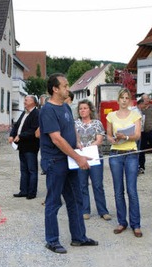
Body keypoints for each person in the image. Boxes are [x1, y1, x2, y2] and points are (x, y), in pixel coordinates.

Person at [39, 73, 98, 254]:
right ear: (55, 89)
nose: (68, 88)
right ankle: (52, 240)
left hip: (69, 159)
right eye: (64, 86)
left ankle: (79, 237)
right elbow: (56, 139)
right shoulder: (47, 110)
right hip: (55, 162)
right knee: (54, 201)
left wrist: (78, 142)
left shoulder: (65, 107)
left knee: (75, 199)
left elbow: (71, 128)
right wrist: (78, 157)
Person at [106, 88, 143, 237]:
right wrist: (113, 138)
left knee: (132, 190)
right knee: (118, 190)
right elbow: (108, 135)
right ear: (118, 99)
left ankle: (136, 224)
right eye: (122, 97)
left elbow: (138, 135)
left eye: (127, 98)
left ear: (130, 100)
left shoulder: (136, 115)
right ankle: (122, 222)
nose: (124, 100)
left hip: (131, 154)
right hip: (115, 153)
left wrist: (126, 138)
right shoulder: (111, 116)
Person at [75, 99, 111, 221]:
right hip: (80, 157)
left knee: (97, 185)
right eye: (80, 108)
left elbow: (99, 140)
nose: (82, 110)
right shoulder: (75, 124)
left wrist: (90, 147)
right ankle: (85, 210)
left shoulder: (97, 123)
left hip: (95, 157)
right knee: (82, 184)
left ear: (90, 110)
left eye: (85, 108)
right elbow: (73, 139)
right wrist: (78, 144)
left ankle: (103, 211)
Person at [9, 95, 40, 200]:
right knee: (23, 169)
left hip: (31, 146)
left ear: (33, 102)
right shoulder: (24, 112)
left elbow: (33, 130)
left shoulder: (36, 114)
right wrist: (11, 135)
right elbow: (17, 125)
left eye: (26, 100)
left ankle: (31, 192)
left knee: (32, 170)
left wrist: (20, 136)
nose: (24, 102)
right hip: (22, 146)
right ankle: (23, 190)